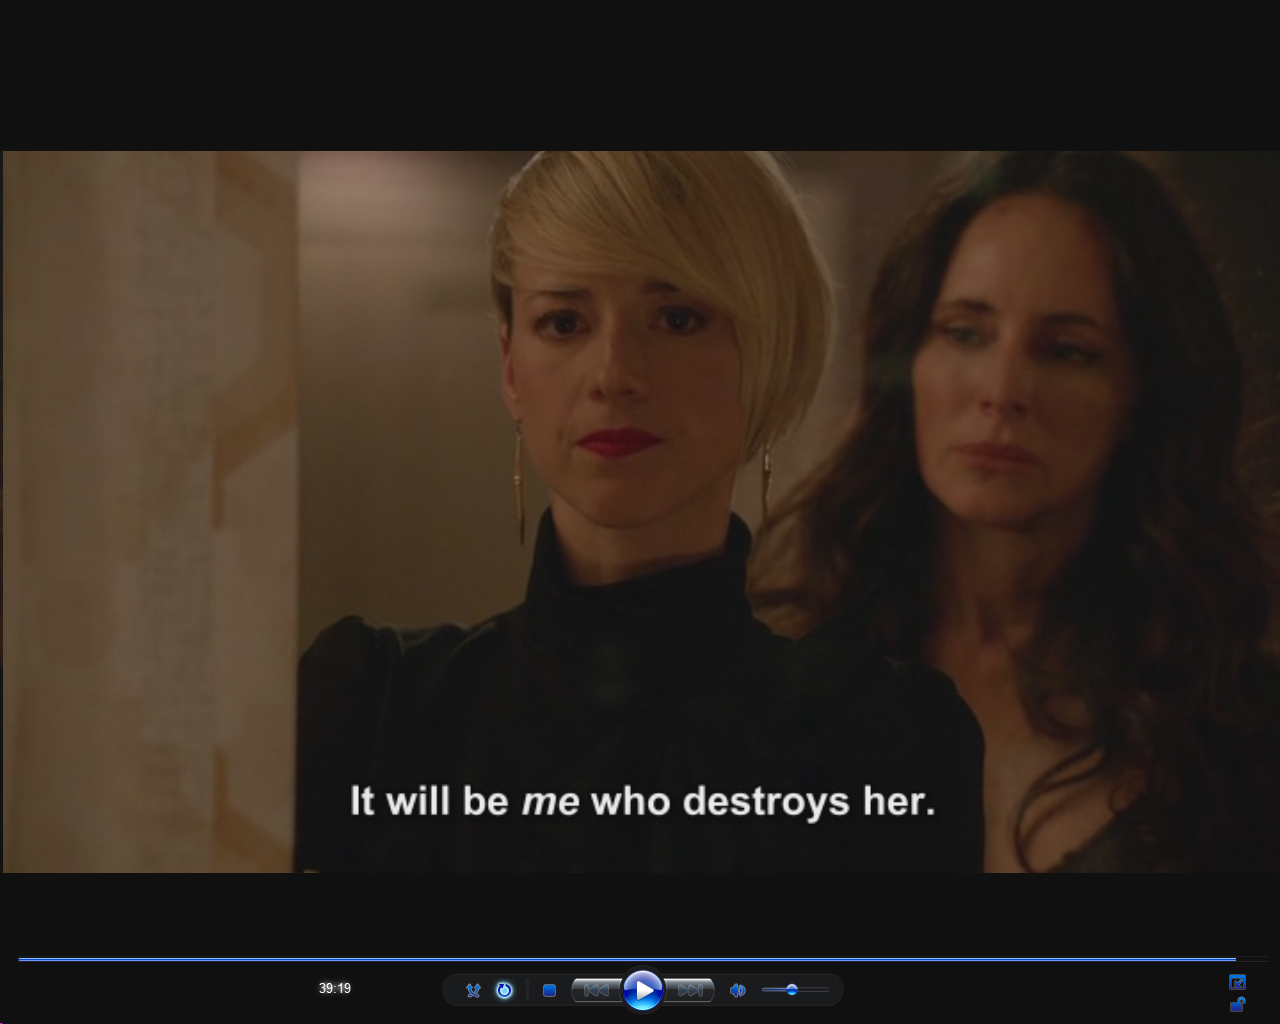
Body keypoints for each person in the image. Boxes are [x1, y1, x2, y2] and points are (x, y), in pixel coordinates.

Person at [294, 151, 983, 872]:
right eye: (564, 321)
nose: (615, 373)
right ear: (510, 367)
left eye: (677, 318)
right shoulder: (375, 711)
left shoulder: (883, 742)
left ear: (768, 351)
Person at [751, 151, 1280, 872]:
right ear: (909, 361)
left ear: (1142, 394)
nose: (1001, 391)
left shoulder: (1226, 719)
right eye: (965, 333)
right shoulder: (780, 672)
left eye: (1067, 351)